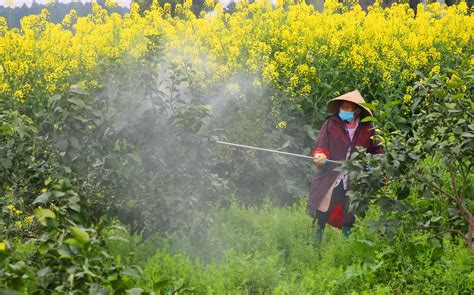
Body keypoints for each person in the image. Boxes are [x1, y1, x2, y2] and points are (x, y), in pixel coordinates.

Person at [308, 90, 383, 242]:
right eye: (343, 107)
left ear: (357, 110)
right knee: (323, 208)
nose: (344, 110)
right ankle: (317, 242)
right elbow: (321, 146)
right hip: (332, 173)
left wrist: (372, 163)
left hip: (354, 176)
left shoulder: (367, 128)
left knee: (349, 211)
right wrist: (320, 156)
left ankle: (346, 244)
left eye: (348, 107)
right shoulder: (331, 124)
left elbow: (377, 151)